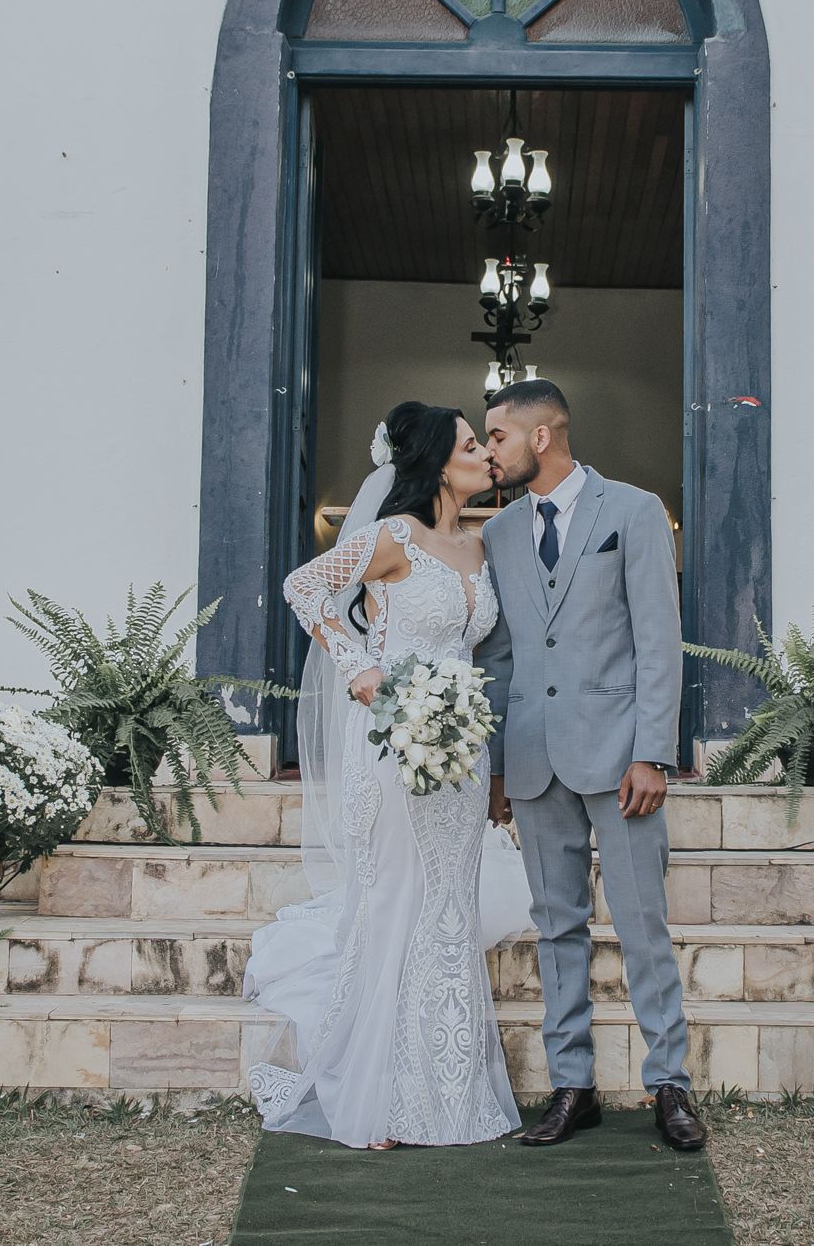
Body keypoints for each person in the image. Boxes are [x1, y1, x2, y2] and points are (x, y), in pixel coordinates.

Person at [242, 401, 532, 1149]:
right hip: (393, 746)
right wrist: (359, 666)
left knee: (447, 908)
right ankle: (371, 1092)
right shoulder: (388, 537)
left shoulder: (477, 547)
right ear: (438, 460)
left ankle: (442, 1088)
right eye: (473, 445)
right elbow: (304, 588)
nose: (485, 456)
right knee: (395, 901)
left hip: (463, 754)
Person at [478, 379, 707, 1152]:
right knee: (556, 928)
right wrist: (501, 767)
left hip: (620, 759)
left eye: (497, 436)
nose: (488, 451)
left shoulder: (634, 512)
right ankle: (572, 1087)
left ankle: (669, 1084)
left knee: (642, 923)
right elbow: (505, 654)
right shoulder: (502, 533)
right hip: (535, 760)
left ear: (541, 436)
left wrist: (652, 752)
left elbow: (657, 639)